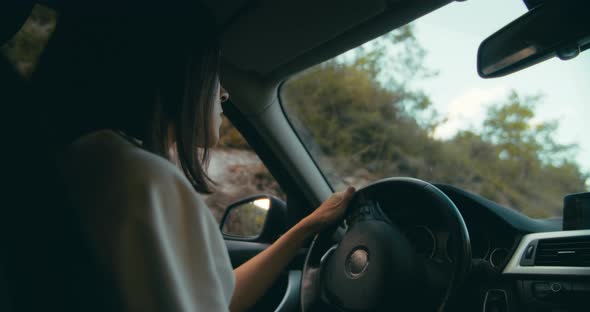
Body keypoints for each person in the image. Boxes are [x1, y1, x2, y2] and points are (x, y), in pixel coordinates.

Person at [36, 1, 356, 311]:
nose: (224, 92)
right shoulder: (143, 181)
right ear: (175, 70)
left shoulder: (91, 163)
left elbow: (214, 300)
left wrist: (306, 227)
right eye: (213, 70)